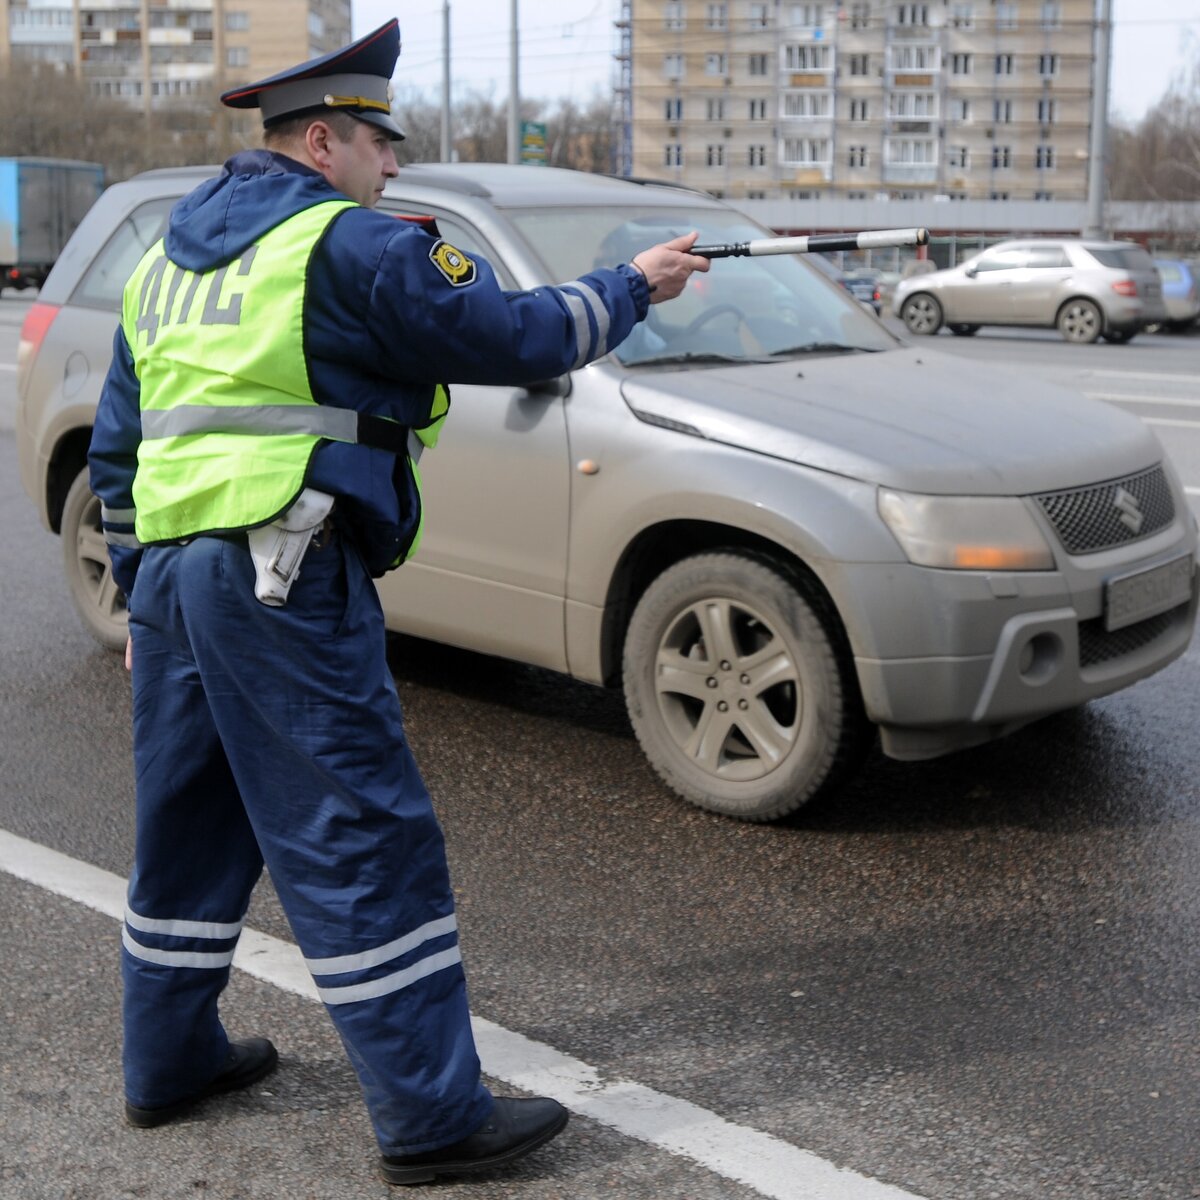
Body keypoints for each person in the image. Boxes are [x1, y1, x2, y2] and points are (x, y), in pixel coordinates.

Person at [87, 16, 708, 1189]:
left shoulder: (166, 262)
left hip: (173, 578)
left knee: (188, 826)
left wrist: (134, 598)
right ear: (322, 140)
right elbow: (519, 337)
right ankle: (431, 1116)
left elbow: (122, 446)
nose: (395, 164)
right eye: (382, 142)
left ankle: (164, 1063)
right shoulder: (349, 245)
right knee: (360, 833)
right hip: (283, 564)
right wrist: (638, 284)